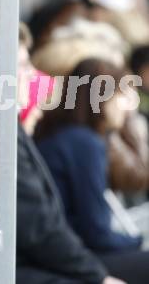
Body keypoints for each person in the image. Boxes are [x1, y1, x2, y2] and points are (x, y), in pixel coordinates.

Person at [0, 20, 127, 284]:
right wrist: (99, 277)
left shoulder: (5, 125)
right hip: (16, 266)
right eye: (24, 65)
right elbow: (38, 227)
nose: (34, 75)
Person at [35, 58, 149, 283]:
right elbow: (97, 232)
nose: (125, 107)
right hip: (75, 256)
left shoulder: (59, 133)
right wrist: (137, 241)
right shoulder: (85, 143)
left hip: (57, 252)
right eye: (119, 94)